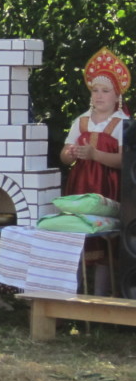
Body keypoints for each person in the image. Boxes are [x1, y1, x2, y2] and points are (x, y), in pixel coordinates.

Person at [60, 48, 130, 295]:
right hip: (81, 188)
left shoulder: (122, 123)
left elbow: (125, 161)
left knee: (104, 239)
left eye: (105, 91)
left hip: (108, 188)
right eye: (95, 90)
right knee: (77, 237)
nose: (99, 95)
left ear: (117, 95)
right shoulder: (81, 121)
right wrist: (70, 154)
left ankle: (100, 298)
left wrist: (95, 155)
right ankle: (73, 295)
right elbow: (64, 155)